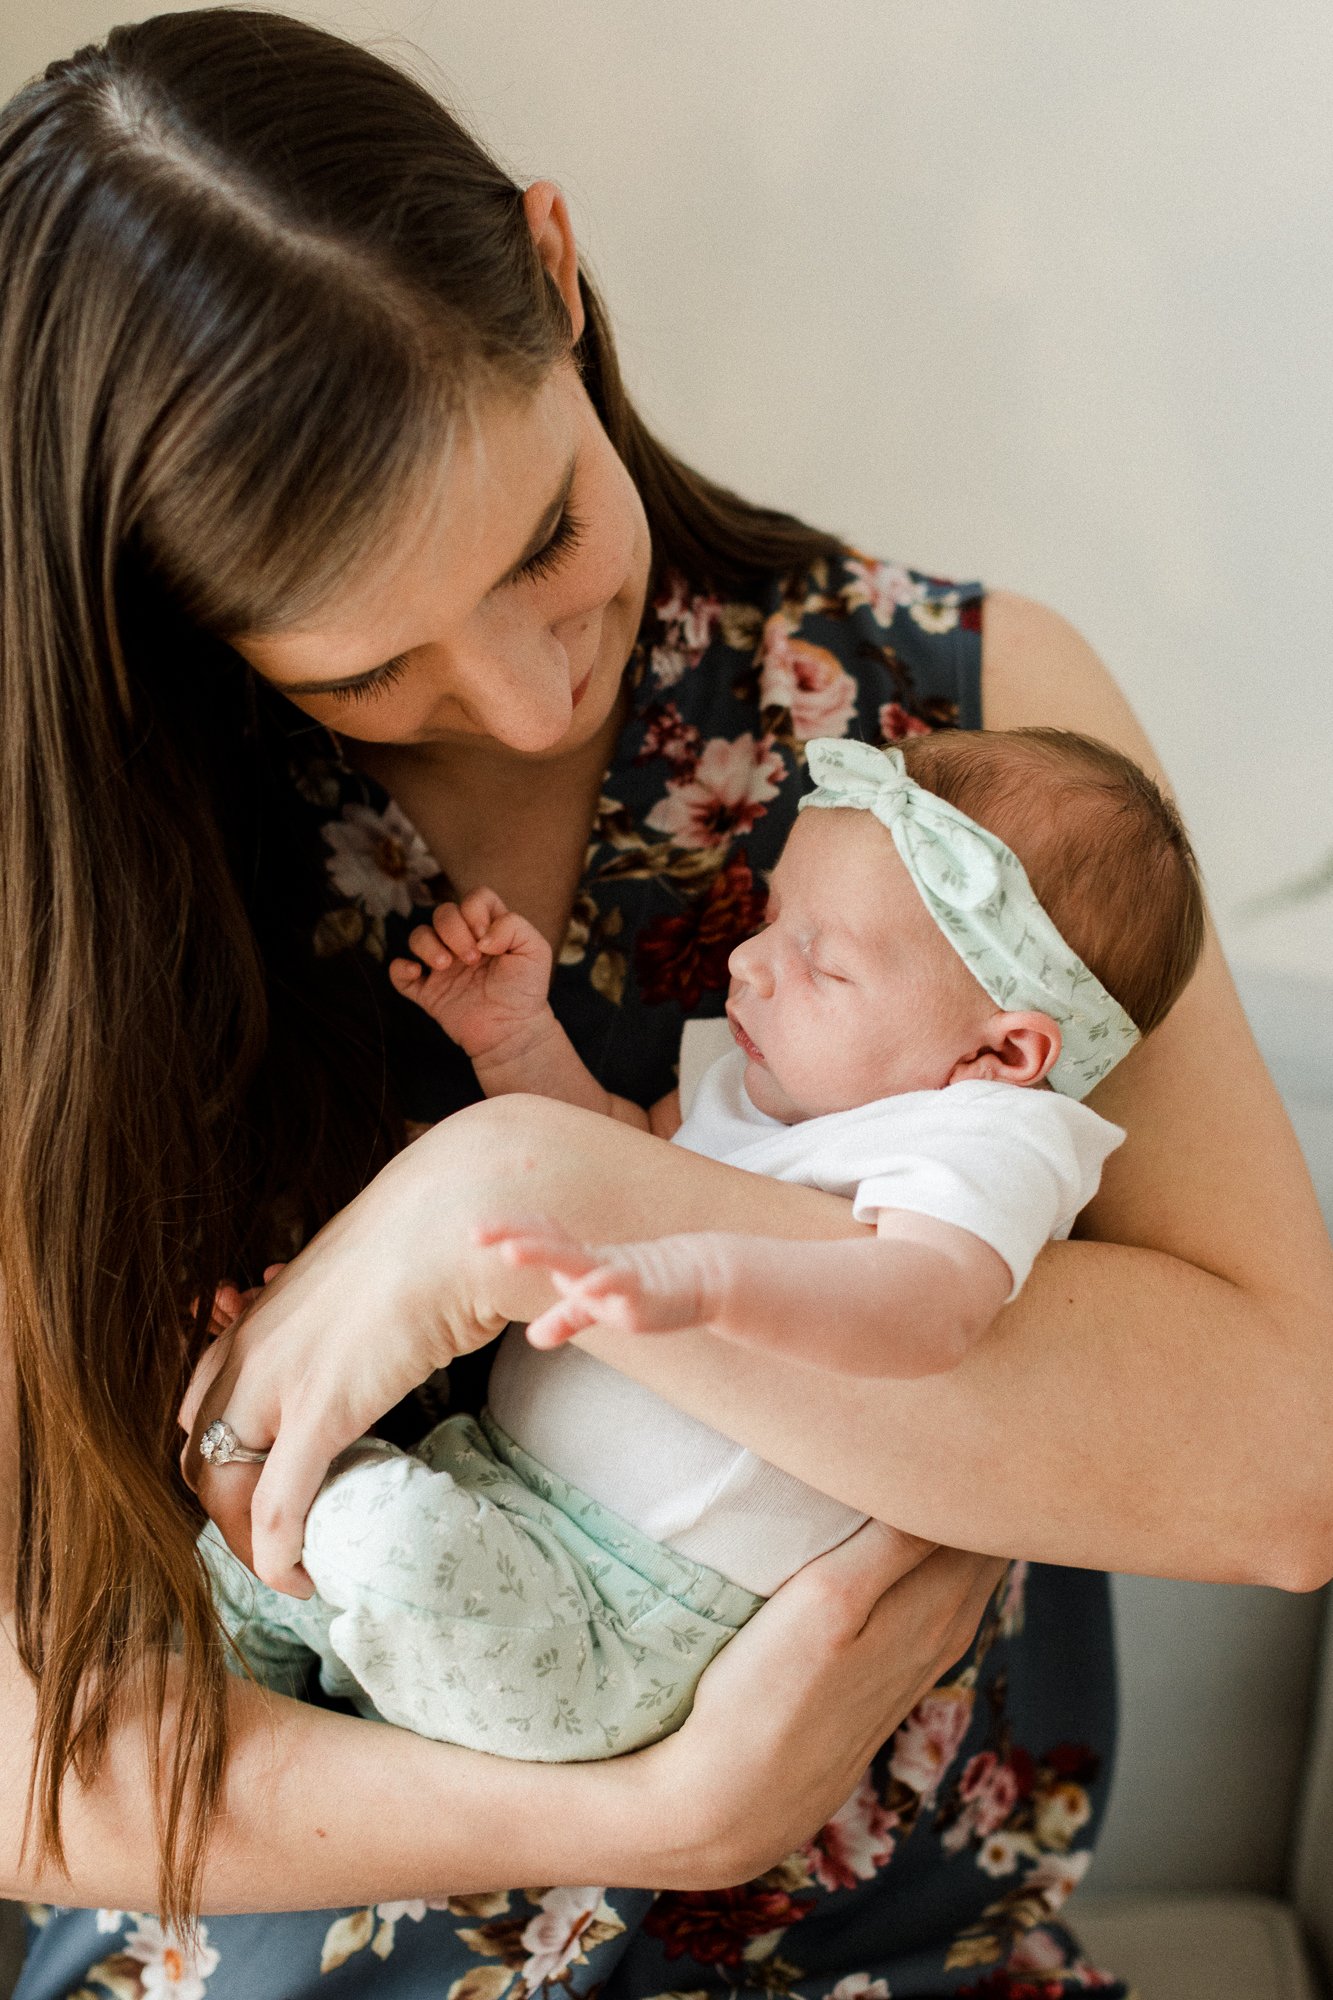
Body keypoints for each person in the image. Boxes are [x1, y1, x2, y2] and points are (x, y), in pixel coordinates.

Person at [1, 10, 1328, 2000]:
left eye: (543, 537)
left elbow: (1276, 1462)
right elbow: (38, 1763)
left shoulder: (971, 744)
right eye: (373, 667)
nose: (528, 692)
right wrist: (658, 1813)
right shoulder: (69, 911)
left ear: (554, 268)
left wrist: (514, 1189)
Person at [198, 726, 1203, 1766]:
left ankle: (314, 1607)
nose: (749, 961)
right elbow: (612, 1152)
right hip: (490, 1485)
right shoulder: (767, 1075)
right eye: (774, 916)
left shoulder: (990, 1136)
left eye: (820, 961)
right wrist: (515, 1040)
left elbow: (927, 1304)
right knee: (250, 1550)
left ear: (999, 1050)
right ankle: (266, 1650)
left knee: (379, 1540)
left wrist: (712, 1273)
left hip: (622, 1613)